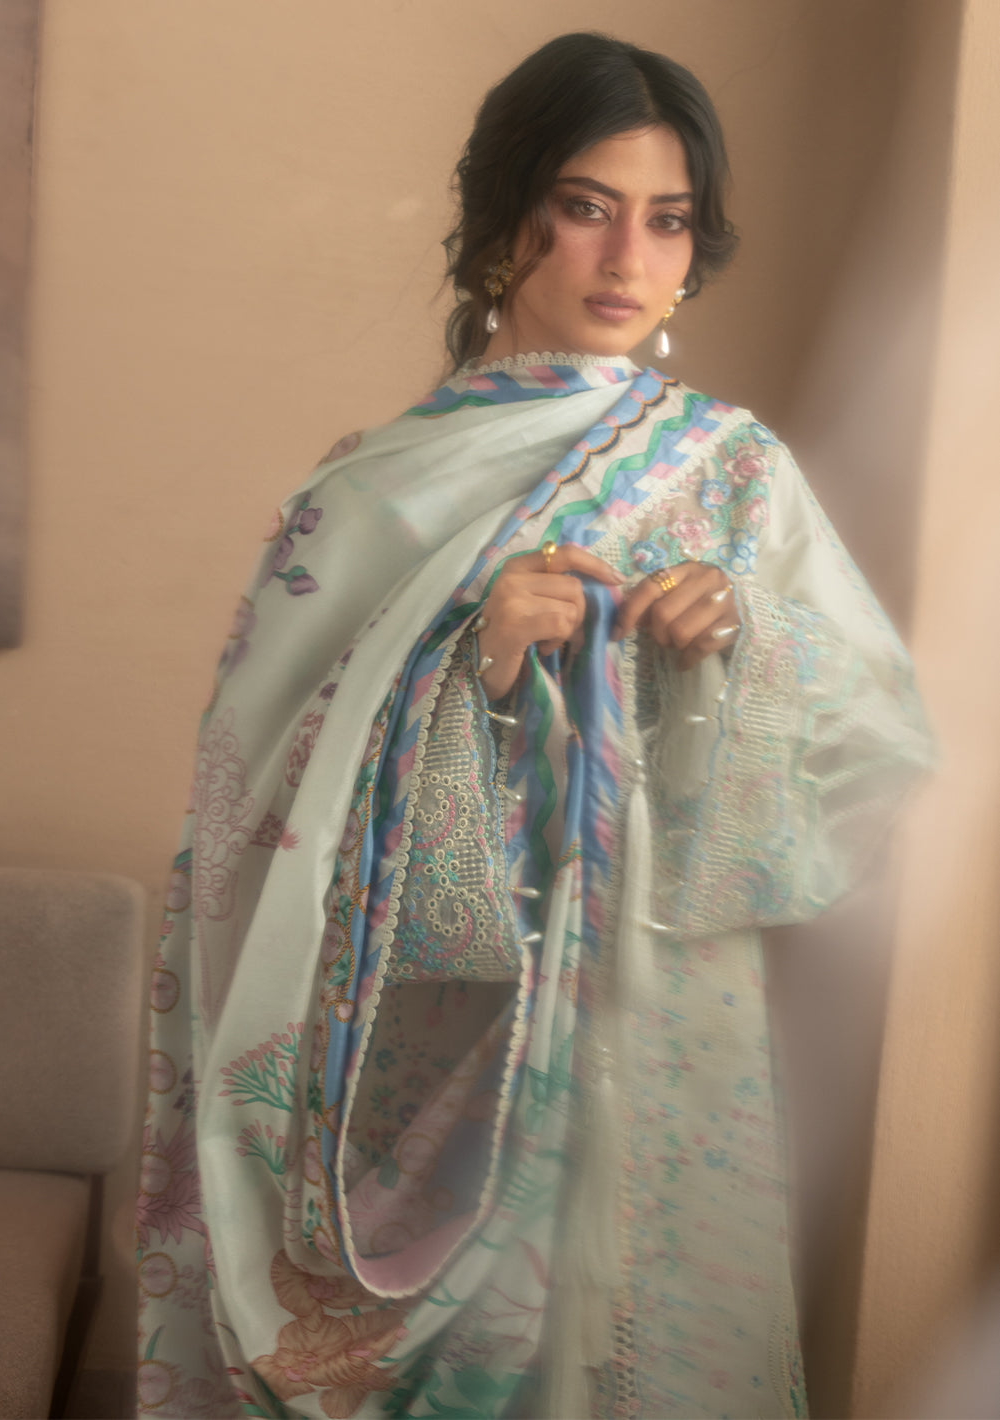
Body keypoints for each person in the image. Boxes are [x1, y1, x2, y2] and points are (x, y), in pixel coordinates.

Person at [136, 32, 931, 1420]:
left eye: (667, 220)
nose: (628, 258)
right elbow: (240, 809)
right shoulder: (364, 495)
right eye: (585, 206)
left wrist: (743, 644)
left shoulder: (733, 475)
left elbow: (872, 750)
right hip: (417, 1058)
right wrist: (469, 667)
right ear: (505, 220)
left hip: (656, 1028)